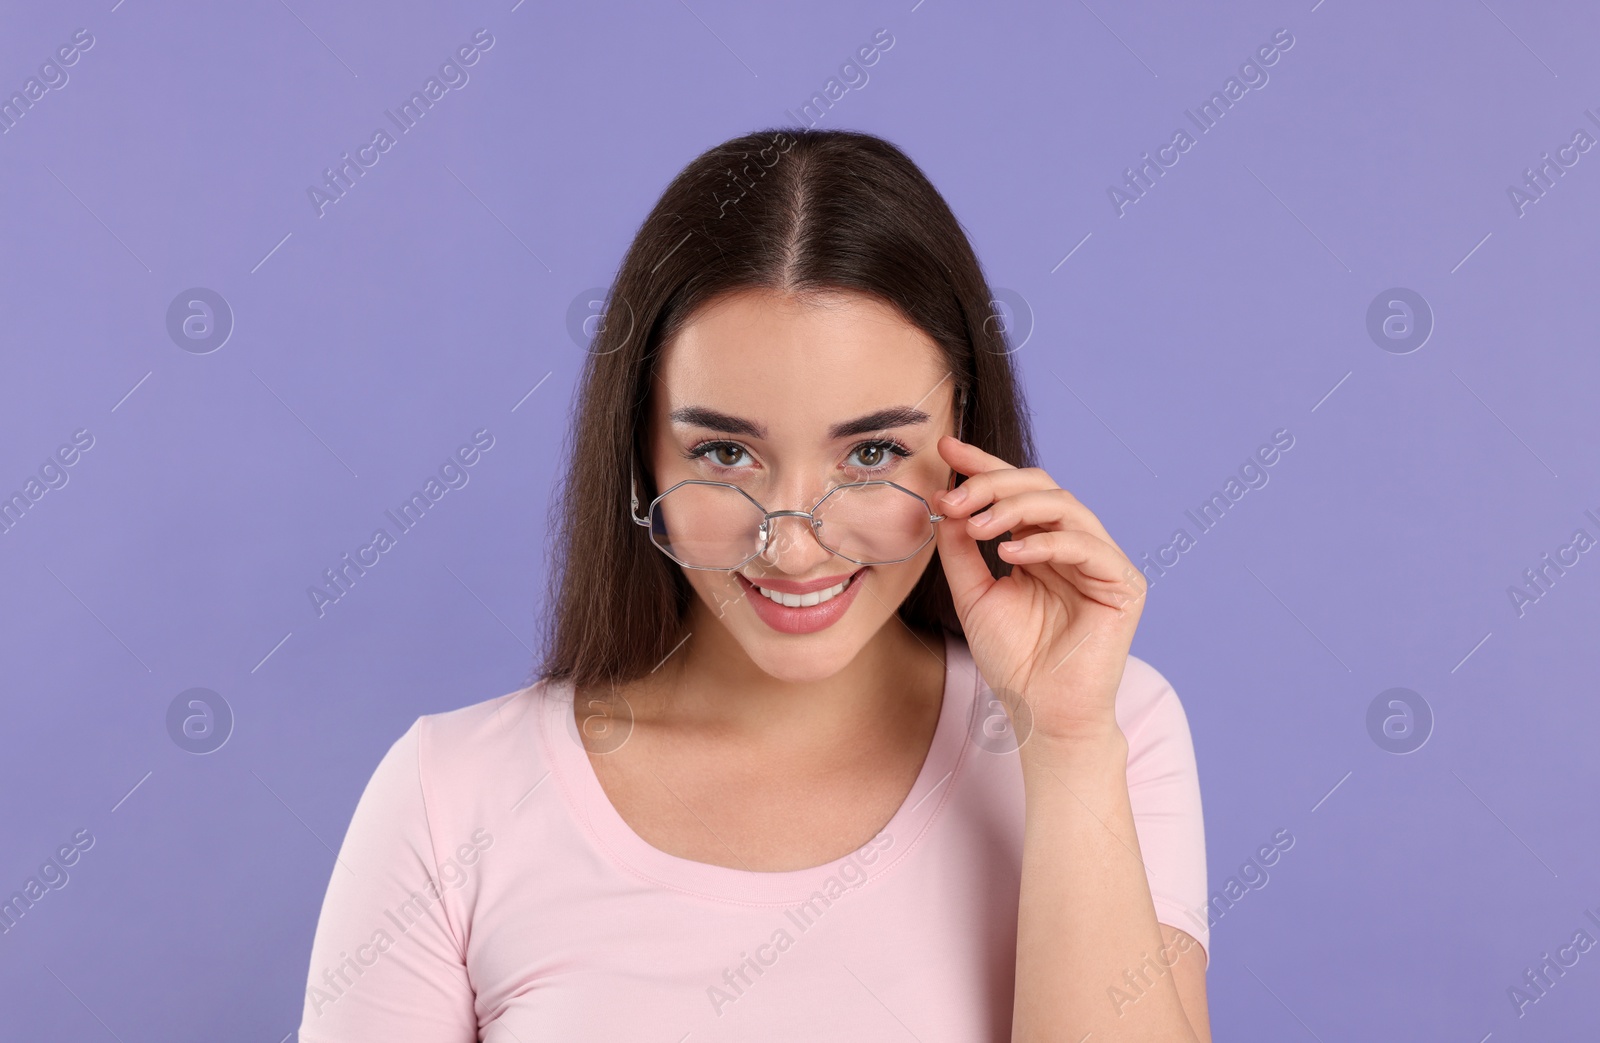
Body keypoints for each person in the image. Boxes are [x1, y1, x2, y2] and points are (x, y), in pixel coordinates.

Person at [297, 127, 1210, 1042]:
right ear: (643, 453)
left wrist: (1066, 741)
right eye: (725, 453)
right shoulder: (452, 796)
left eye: (873, 452)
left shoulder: (1111, 728)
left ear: (963, 438)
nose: (793, 543)